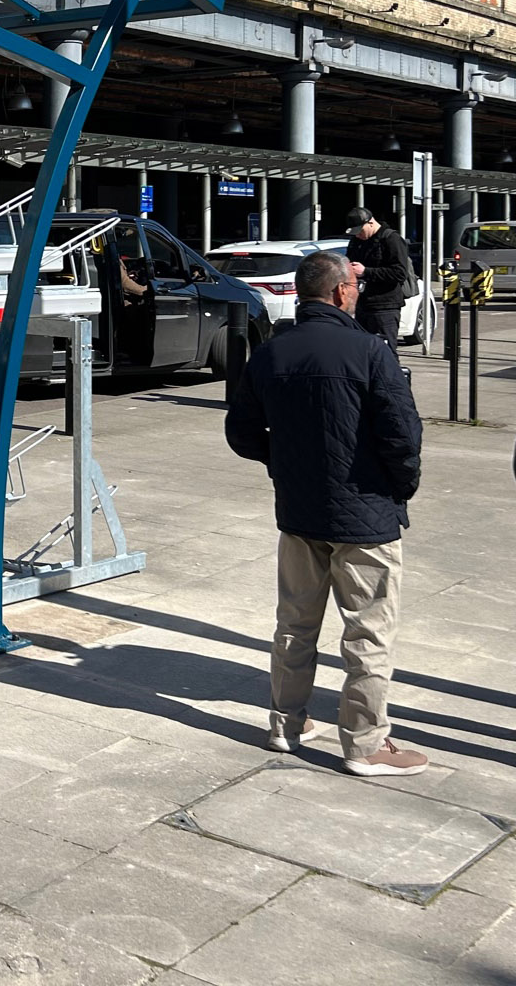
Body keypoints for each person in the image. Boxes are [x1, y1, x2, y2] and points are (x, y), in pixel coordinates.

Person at [225, 249, 426, 778]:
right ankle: (365, 743)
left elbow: (241, 433)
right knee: (368, 633)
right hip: (365, 517)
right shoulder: (368, 350)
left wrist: (284, 461)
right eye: (354, 286)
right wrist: (399, 489)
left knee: (293, 624)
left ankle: (285, 724)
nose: (357, 293)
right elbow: (403, 436)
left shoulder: (271, 353)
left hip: (299, 513)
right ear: (340, 292)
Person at [344, 206, 413, 346]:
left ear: (370, 222)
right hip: (362, 305)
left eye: (360, 231)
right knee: (361, 350)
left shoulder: (391, 239)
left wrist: (366, 272)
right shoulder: (356, 242)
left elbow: (399, 273)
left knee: (384, 350)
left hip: (384, 307)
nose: (358, 235)